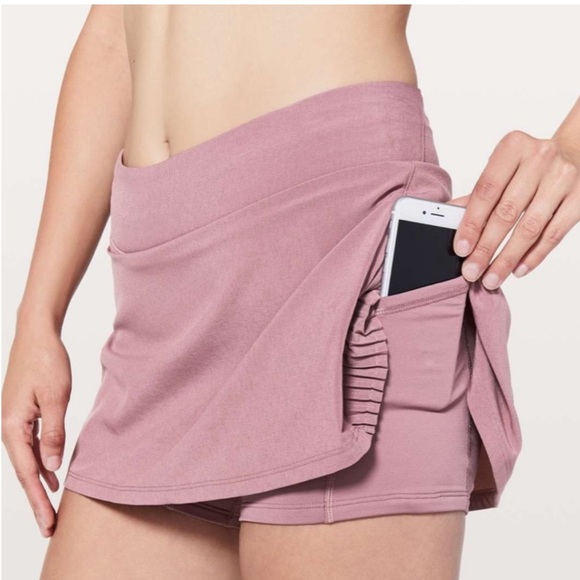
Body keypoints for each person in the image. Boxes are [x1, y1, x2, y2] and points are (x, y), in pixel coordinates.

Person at [2, 5, 579, 580]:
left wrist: (572, 150)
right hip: (160, 309)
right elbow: (112, 31)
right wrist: (38, 316)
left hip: (343, 263)